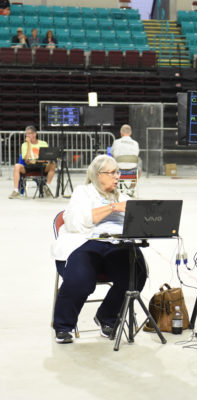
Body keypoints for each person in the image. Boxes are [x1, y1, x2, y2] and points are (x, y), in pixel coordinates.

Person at [52, 155, 147, 344]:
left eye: (118, 172)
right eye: (112, 173)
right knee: (80, 281)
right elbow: (75, 222)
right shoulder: (82, 193)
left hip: (118, 244)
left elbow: (138, 223)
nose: (117, 177)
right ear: (97, 175)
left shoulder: (123, 197)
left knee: (137, 272)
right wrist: (113, 207)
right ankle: (63, 326)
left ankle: (108, 317)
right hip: (87, 243)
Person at [9, 126, 56, 199]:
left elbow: (47, 158)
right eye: (26, 134)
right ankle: (16, 191)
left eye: (29, 134)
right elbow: (27, 160)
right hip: (29, 166)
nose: (27, 136)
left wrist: (41, 160)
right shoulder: (24, 145)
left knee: (53, 164)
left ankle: (46, 186)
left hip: (42, 166)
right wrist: (29, 144)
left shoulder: (43, 143)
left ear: (34, 134)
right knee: (17, 166)